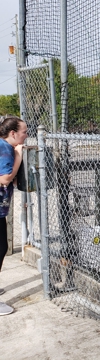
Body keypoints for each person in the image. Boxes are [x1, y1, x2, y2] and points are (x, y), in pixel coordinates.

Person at [0, 115, 27, 315]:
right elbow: (6, 179)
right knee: (1, 248)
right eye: (24, 132)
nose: (26, 136)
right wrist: (18, 155)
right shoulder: (7, 149)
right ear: (13, 133)